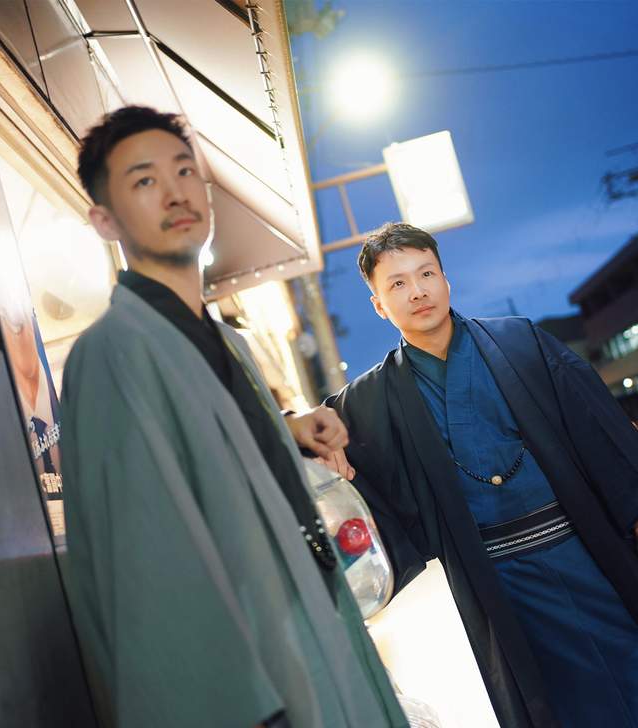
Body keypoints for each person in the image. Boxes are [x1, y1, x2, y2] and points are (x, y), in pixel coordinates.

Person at [59, 105, 406, 728]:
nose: (175, 192)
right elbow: (144, 566)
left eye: (186, 171)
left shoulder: (229, 344)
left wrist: (289, 429)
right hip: (244, 674)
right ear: (104, 220)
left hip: (309, 612)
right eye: (143, 180)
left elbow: (216, 445)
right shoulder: (109, 353)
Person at [324, 222, 638, 727]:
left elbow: (601, 434)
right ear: (379, 305)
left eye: (427, 273)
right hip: (499, 581)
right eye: (398, 283)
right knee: (555, 701)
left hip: (582, 550)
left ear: (447, 279)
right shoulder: (366, 400)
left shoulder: (523, 344)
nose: (418, 290)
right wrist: (327, 455)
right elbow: (337, 459)